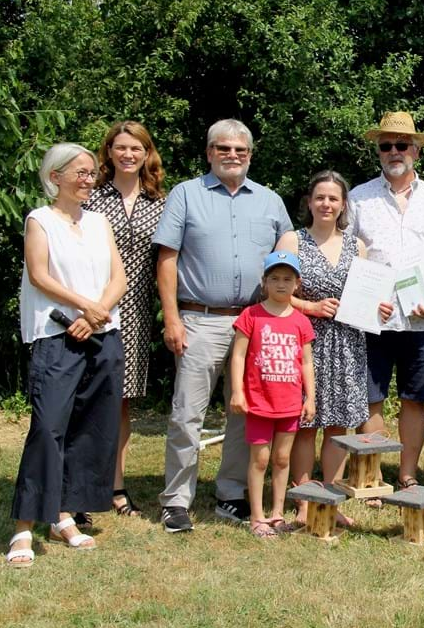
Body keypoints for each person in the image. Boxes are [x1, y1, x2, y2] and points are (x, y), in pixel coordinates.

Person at [153, 119, 293, 533]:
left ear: (250, 154)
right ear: (209, 152)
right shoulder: (186, 195)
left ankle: (231, 493)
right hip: (199, 319)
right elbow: (167, 259)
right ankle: (176, 499)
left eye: (241, 150)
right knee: (186, 413)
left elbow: (287, 251)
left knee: (244, 413)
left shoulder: (268, 200)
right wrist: (172, 318)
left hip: (254, 323)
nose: (233, 155)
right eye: (223, 148)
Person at [6, 143, 127, 567]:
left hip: (101, 336)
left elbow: (119, 278)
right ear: (55, 176)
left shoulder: (99, 222)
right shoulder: (40, 220)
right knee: (48, 428)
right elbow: (39, 275)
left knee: (90, 427)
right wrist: (85, 306)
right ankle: (24, 526)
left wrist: (96, 316)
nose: (88, 179)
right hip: (55, 336)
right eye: (80, 172)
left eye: (92, 172)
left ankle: (63, 515)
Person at [347, 111, 424, 489]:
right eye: (386, 145)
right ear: (378, 152)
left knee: (415, 398)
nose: (394, 151)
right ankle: (373, 475)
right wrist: (365, 298)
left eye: (402, 144)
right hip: (373, 318)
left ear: (416, 151)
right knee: (371, 399)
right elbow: (348, 256)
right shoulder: (357, 198)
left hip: (422, 319)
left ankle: (408, 473)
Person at [276, 170, 390, 524]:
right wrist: (308, 307)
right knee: (306, 425)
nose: (326, 204)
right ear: (309, 202)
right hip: (305, 343)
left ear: (343, 205)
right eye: (320, 197)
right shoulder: (292, 241)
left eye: (334, 199)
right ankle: (304, 501)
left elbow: (364, 297)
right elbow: (274, 293)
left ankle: (331, 500)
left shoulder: (357, 246)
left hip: (347, 345)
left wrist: (377, 308)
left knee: (338, 426)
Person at [83, 120, 167, 520]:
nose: (128, 155)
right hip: (91, 308)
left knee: (120, 405)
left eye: (137, 148)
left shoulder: (160, 202)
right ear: (109, 152)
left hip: (134, 314)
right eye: (121, 148)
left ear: (147, 153)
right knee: (83, 400)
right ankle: (76, 488)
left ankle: (115, 485)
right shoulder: (91, 198)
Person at [229, 252, 315, 538]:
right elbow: (238, 356)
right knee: (260, 460)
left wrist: (310, 398)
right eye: (275, 278)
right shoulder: (251, 316)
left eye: (287, 279)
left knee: (281, 459)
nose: (281, 284)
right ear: (264, 282)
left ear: (297, 284)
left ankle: (278, 513)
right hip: (258, 402)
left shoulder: (301, 321)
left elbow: (305, 362)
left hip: (289, 404)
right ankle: (257, 516)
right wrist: (238, 392)